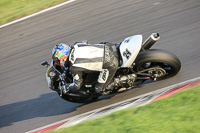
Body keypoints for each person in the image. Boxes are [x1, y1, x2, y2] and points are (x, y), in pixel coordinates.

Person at [52, 42, 119, 94]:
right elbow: (85, 42)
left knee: (98, 89)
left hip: (110, 64)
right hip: (107, 47)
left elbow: (77, 85)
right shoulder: (77, 45)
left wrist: (67, 88)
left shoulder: (74, 67)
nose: (57, 62)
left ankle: (118, 82)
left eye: (57, 60)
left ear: (62, 58)